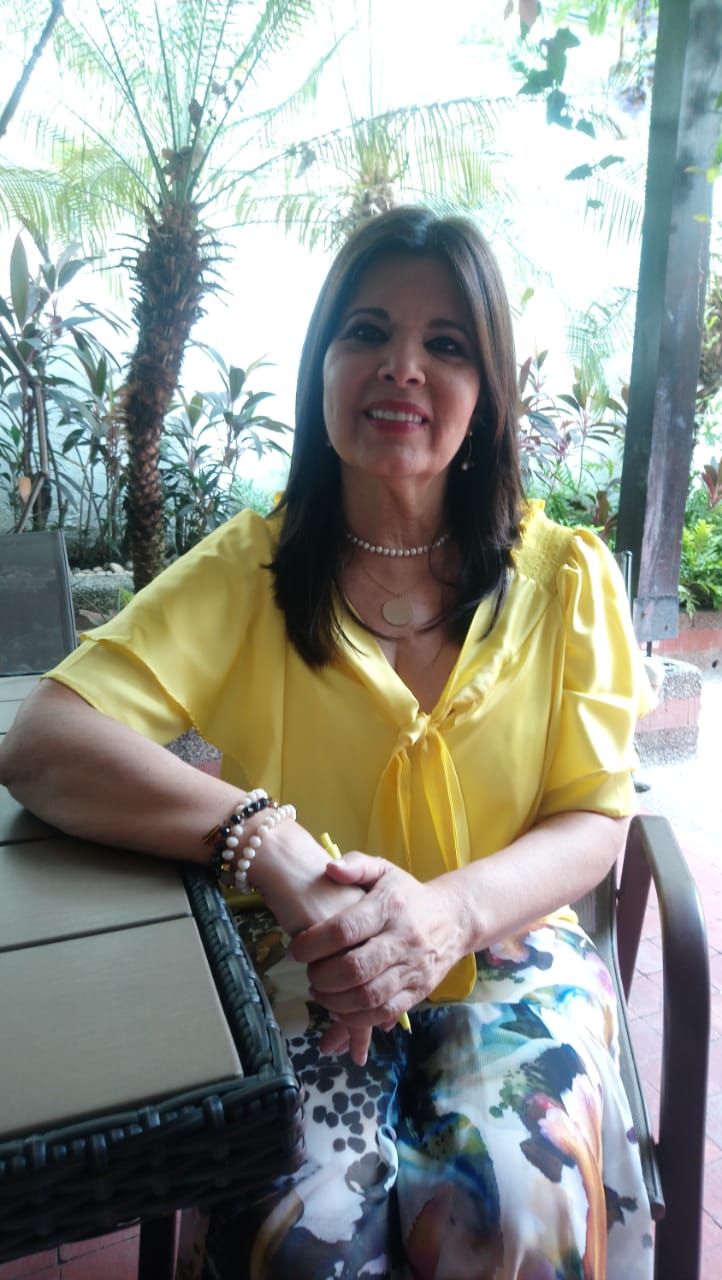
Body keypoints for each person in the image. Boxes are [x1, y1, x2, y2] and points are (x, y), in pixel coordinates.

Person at [0, 206, 654, 1279]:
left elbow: (594, 817)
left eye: (446, 343)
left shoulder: (565, 580)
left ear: (487, 393)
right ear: (321, 368)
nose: (402, 366)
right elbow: (45, 738)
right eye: (367, 331)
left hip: (508, 946)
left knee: (516, 1204)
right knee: (303, 1229)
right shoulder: (248, 571)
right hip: (302, 954)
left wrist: (449, 912)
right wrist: (270, 845)